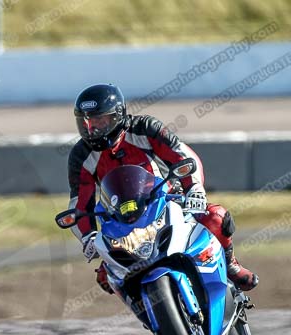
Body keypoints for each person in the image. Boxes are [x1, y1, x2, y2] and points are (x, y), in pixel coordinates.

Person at [67, 83, 258, 293]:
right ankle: (153, 313)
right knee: (106, 277)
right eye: (85, 123)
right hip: (122, 223)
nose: (92, 130)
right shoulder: (80, 155)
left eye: (99, 121)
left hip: (167, 202)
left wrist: (194, 190)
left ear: (117, 116)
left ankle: (230, 265)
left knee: (216, 218)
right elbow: (80, 203)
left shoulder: (145, 129)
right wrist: (88, 237)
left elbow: (182, 155)